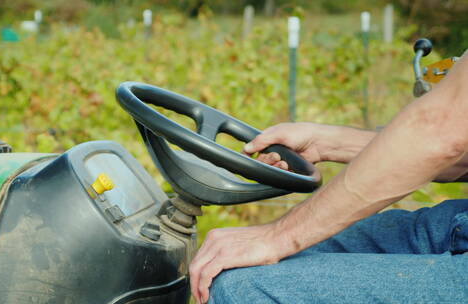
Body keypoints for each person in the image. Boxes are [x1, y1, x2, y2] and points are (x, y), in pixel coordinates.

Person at [189, 50, 468, 304]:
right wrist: (327, 143)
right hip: (459, 223)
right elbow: (456, 149)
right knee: (234, 263)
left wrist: (277, 236)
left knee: (241, 289)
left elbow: (440, 130)